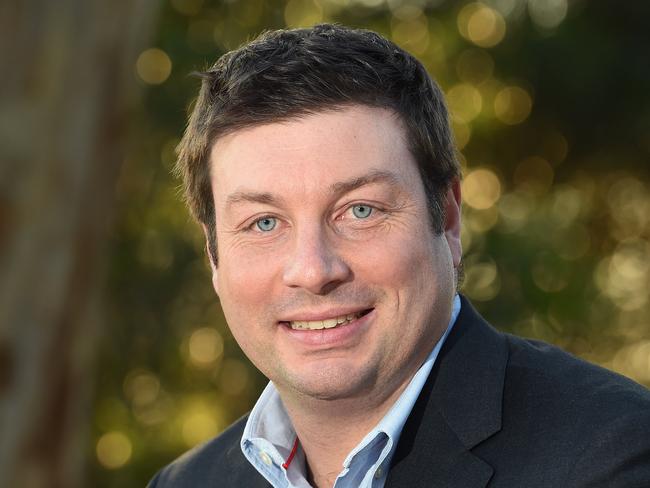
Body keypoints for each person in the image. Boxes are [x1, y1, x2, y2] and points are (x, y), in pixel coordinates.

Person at [148, 24, 650, 488]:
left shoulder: (612, 455)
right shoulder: (186, 483)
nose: (313, 270)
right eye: (263, 223)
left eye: (360, 210)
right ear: (213, 254)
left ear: (448, 220)